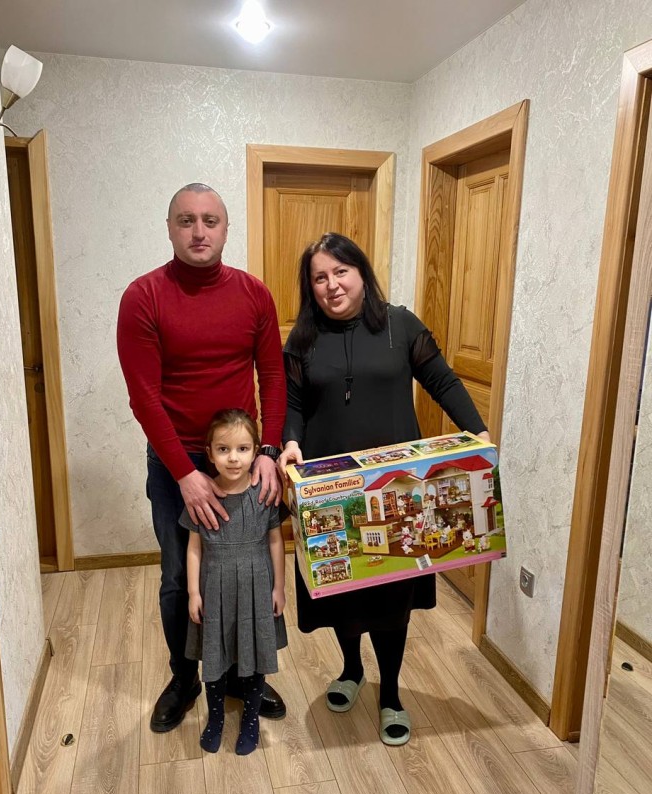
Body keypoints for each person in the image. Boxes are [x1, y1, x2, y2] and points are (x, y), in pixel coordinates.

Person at [279, 233, 489, 747]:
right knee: (342, 593)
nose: (332, 285)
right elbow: (295, 405)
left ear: (361, 272)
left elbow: (443, 381)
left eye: (341, 272)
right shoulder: (303, 340)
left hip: (397, 491)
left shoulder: (400, 325)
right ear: (310, 286)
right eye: (320, 277)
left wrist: (478, 433)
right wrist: (290, 442)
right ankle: (352, 669)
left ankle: (390, 693)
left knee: (392, 598)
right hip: (332, 491)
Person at [117, 183, 287, 733]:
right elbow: (144, 397)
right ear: (169, 228)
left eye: (210, 221)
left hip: (242, 458)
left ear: (225, 229)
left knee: (245, 570)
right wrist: (186, 473)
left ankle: (238, 674)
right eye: (186, 220)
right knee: (178, 575)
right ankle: (185, 676)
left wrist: (267, 451)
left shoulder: (254, 294)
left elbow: (273, 375)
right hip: (177, 461)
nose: (198, 231)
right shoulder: (143, 297)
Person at [181, 409, 287, 755]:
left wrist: (279, 588)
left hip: (256, 589)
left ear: (256, 451)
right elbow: (194, 547)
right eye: (223, 449)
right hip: (215, 589)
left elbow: (276, 541)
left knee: (254, 655)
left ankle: (251, 721)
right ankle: (215, 719)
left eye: (242, 449)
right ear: (209, 453)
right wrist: (193, 592)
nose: (233, 458)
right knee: (214, 656)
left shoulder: (265, 493)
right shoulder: (202, 497)